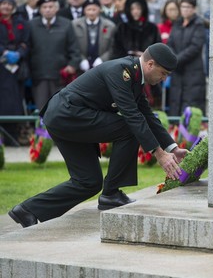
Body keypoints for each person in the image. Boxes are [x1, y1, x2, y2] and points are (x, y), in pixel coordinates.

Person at [8, 43, 188, 228]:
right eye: (163, 73)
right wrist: (159, 154)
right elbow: (132, 116)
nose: (163, 79)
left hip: (65, 118)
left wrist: (172, 148)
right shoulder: (121, 71)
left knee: (89, 182)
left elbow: (148, 116)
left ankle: (28, 210)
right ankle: (111, 194)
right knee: (129, 128)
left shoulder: (134, 78)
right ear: (150, 64)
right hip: (67, 115)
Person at [29, 0, 81, 110]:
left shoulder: (66, 24)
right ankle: (41, 128)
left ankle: (61, 128)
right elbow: (28, 48)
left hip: (60, 75)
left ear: (56, 8)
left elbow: (74, 49)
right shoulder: (32, 25)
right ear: (40, 9)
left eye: (50, 7)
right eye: (44, 7)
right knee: (41, 109)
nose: (48, 10)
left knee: (60, 108)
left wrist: (72, 65)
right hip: (39, 75)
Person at [112, 0, 162, 108]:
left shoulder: (152, 28)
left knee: (149, 105)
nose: (135, 11)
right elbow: (116, 51)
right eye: (132, 8)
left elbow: (158, 49)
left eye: (138, 8)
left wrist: (145, 56)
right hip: (126, 71)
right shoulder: (122, 28)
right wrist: (130, 58)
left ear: (143, 9)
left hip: (149, 70)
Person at [167, 0, 206, 116]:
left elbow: (195, 47)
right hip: (178, 72)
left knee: (190, 106)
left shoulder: (198, 24)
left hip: (193, 73)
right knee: (175, 104)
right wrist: (173, 58)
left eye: (188, 7)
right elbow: (170, 44)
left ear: (194, 9)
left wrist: (176, 60)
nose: (185, 10)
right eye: (183, 7)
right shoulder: (177, 23)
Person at [0, 0, 30, 145]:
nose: (6, 7)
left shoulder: (20, 22)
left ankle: (12, 136)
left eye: (9, 4)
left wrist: (19, 53)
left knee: (14, 102)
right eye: (3, 3)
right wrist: (4, 52)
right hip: (1, 67)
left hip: (16, 70)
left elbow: (26, 42)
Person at [72, 0, 116, 73]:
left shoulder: (110, 26)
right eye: (88, 9)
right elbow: (72, 45)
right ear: (84, 10)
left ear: (99, 9)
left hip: (103, 66)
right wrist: (82, 59)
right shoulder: (75, 25)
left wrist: (102, 59)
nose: (91, 13)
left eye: (94, 9)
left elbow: (113, 46)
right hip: (81, 67)